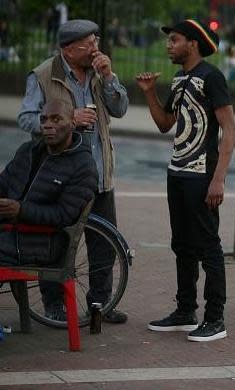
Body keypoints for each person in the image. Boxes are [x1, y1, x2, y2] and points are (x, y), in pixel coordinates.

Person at [17, 19, 129, 323]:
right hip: (60, 178)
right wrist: (69, 118)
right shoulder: (43, 75)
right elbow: (26, 119)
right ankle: (54, 305)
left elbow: (120, 109)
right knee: (56, 242)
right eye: (88, 43)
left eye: (96, 40)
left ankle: (100, 304)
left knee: (104, 243)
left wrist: (108, 78)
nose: (95, 48)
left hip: (99, 172)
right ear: (68, 49)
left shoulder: (98, 73)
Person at [135, 19, 235, 342]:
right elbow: (166, 124)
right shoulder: (180, 79)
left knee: (208, 245)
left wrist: (218, 178)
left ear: (192, 43)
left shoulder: (212, 77)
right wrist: (151, 94)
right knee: (181, 244)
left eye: (174, 40)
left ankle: (215, 318)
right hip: (177, 172)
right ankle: (185, 310)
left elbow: (229, 129)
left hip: (201, 176)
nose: (168, 46)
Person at [0, 99, 97, 269]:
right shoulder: (28, 150)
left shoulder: (83, 166)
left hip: (42, 243)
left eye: (56, 119)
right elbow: (3, 183)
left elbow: (63, 215)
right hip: (9, 233)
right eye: (43, 119)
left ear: (73, 123)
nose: (47, 125)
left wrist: (21, 210)